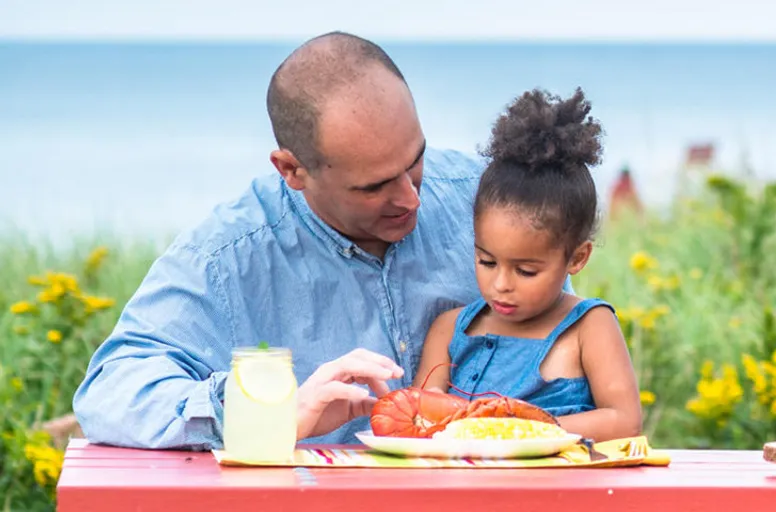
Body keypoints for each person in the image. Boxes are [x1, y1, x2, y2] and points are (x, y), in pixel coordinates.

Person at [72, 32, 493, 449]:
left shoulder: (487, 194)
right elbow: (112, 392)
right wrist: (270, 410)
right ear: (291, 170)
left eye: (416, 159)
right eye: (373, 186)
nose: (410, 197)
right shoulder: (225, 256)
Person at [415, 88, 642, 441]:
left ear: (577, 258)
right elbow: (419, 420)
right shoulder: (449, 331)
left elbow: (624, 421)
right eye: (486, 261)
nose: (501, 284)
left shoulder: (588, 326)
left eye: (526, 271)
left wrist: (516, 429)